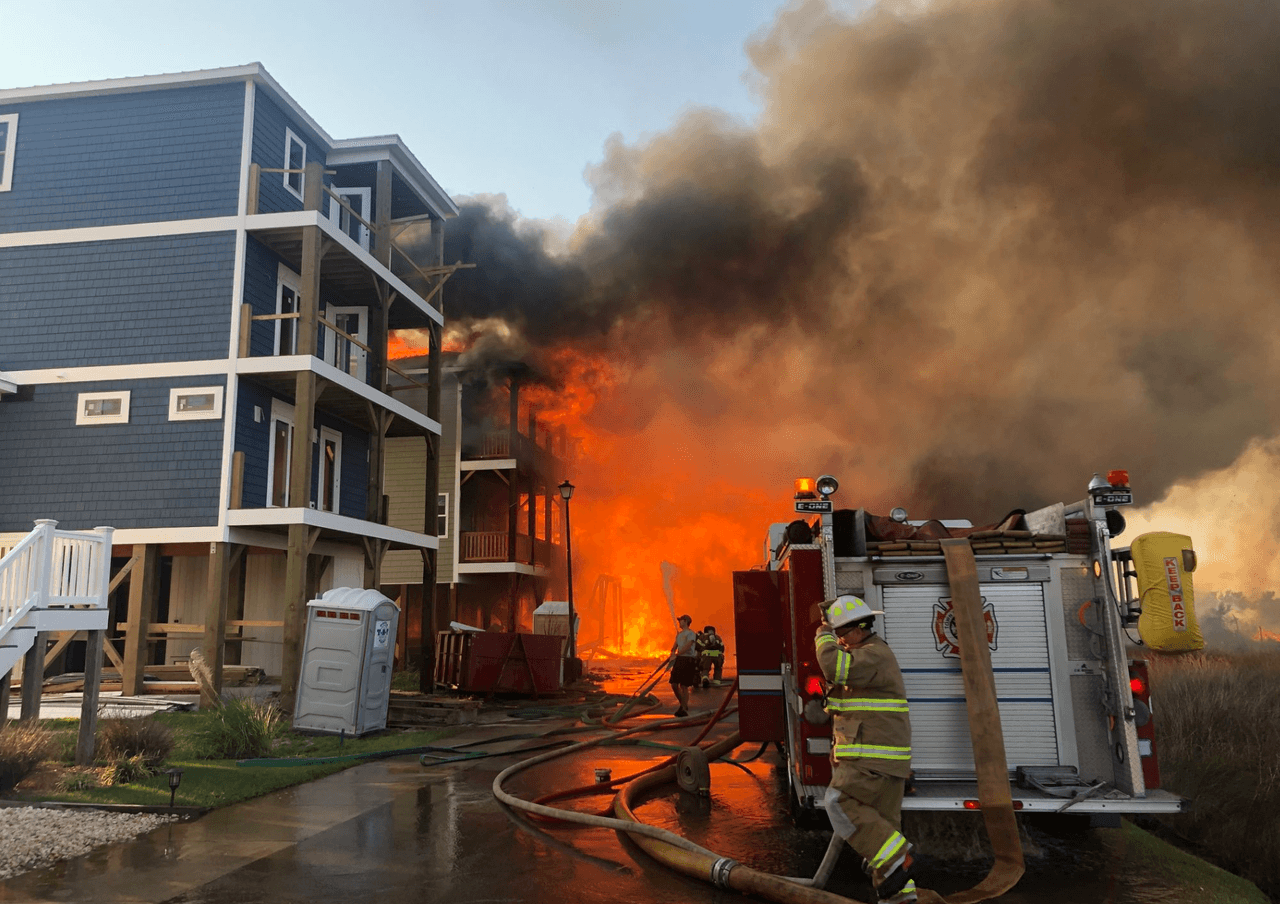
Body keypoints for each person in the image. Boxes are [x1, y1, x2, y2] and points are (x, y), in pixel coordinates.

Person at [816, 595, 916, 904]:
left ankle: (899, 856)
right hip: (883, 761)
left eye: (843, 634)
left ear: (860, 629)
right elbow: (849, 701)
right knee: (882, 829)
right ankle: (899, 897)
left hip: (873, 758)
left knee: (837, 801)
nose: (841, 640)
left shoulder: (874, 655)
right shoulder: (867, 657)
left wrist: (822, 635)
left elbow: (834, 666)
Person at [669, 614, 698, 716]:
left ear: (686, 621)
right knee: (674, 684)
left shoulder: (691, 634)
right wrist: (672, 652)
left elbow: (689, 645)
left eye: (680, 620)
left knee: (684, 686)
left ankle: (683, 708)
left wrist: (678, 653)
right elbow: (674, 646)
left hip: (687, 660)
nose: (679, 622)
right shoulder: (679, 635)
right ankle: (683, 704)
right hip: (679, 660)